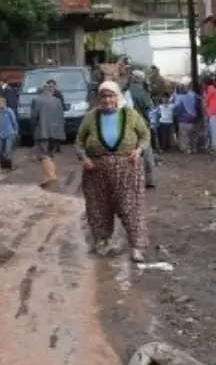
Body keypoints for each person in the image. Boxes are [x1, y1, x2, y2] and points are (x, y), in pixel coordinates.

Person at [75, 80, 152, 262]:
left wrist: (139, 150)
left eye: (110, 96)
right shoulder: (91, 117)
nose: (107, 100)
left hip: (127, 169)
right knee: (98, 208)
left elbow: (145, 136)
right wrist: (84, 158)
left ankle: (136, 247)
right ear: (99, 98)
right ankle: (103, 243)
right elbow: (79, 142)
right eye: (103, 96)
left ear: (117, 97)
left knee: (131, 207)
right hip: (96, 172)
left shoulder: (131, 115)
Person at [30, 80, 66, 188]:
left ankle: (51, 177)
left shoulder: (36, 100)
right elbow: (62, 116)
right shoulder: (57, 100)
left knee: (43, 155)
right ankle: (48, 177)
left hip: (42, 131)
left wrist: (32, 130)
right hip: (56, 132)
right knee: (49, 155)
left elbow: (33, 117)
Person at [172, 83, 201, 154]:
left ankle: (187, 149)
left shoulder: (179, 97)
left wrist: (175, 114)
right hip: (194, 118)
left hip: (184, 119)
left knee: (184, 135)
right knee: (193, 134)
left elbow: (176, 107)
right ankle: (194, 148)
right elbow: (199, 101)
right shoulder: (193, 95)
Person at [0, 95, 18, 170]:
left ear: (4, 103)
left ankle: (10, 166)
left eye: (0, 103)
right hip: (1, 134)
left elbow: (14, 121)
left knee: (8, 150)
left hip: (9, 133)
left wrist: (15, 131)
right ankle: (2, 165)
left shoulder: (9, 111)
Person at [204, 76, 216, 153]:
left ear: (206, 84)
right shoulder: (215, 89)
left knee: (214, 131)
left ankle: (215, 148)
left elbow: (206, 101)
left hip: (213, 112)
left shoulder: (210, 90)